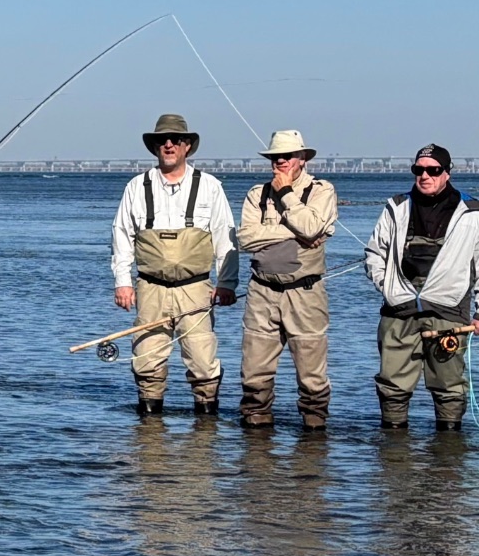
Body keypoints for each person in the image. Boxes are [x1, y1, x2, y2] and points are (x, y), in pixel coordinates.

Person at [112, 114, 239, 414]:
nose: (168, 144)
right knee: (147, 361)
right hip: (150, 289)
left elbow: (226, 236)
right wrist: (123, 283)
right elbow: (121, 236)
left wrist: (226, 283)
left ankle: (204, 440)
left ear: (187, 146)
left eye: (175, 140)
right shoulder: (135, 186)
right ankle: (150, 444)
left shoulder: (210, 186)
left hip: (196, 290)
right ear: (155, 147)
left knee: (203, 362)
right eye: (162, 140)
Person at [362, 144, 479, 431]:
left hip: (448, 313)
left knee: (449, 388)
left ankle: (448, 463)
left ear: (447, 173)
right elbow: (374, 253)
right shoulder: (397, 206)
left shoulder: (472, 212)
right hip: (398, 311)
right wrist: (388, 286)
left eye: (433, 170)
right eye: (419, 170)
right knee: (392, 387)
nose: (425, 175)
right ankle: (394, 463)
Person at [234, 131, 337, 429]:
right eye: (275, 157)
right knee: (254, 371)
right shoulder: (256, 194)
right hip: (261, 292)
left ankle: (314, 439)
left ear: (302, 159)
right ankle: (256, 441)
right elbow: (246, 239)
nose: (280, 161)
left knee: (312, 374)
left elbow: (311, 224)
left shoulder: (322, 191)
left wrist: (286, 195)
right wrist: (298, 234)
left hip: (306, 293)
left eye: (287, 156)